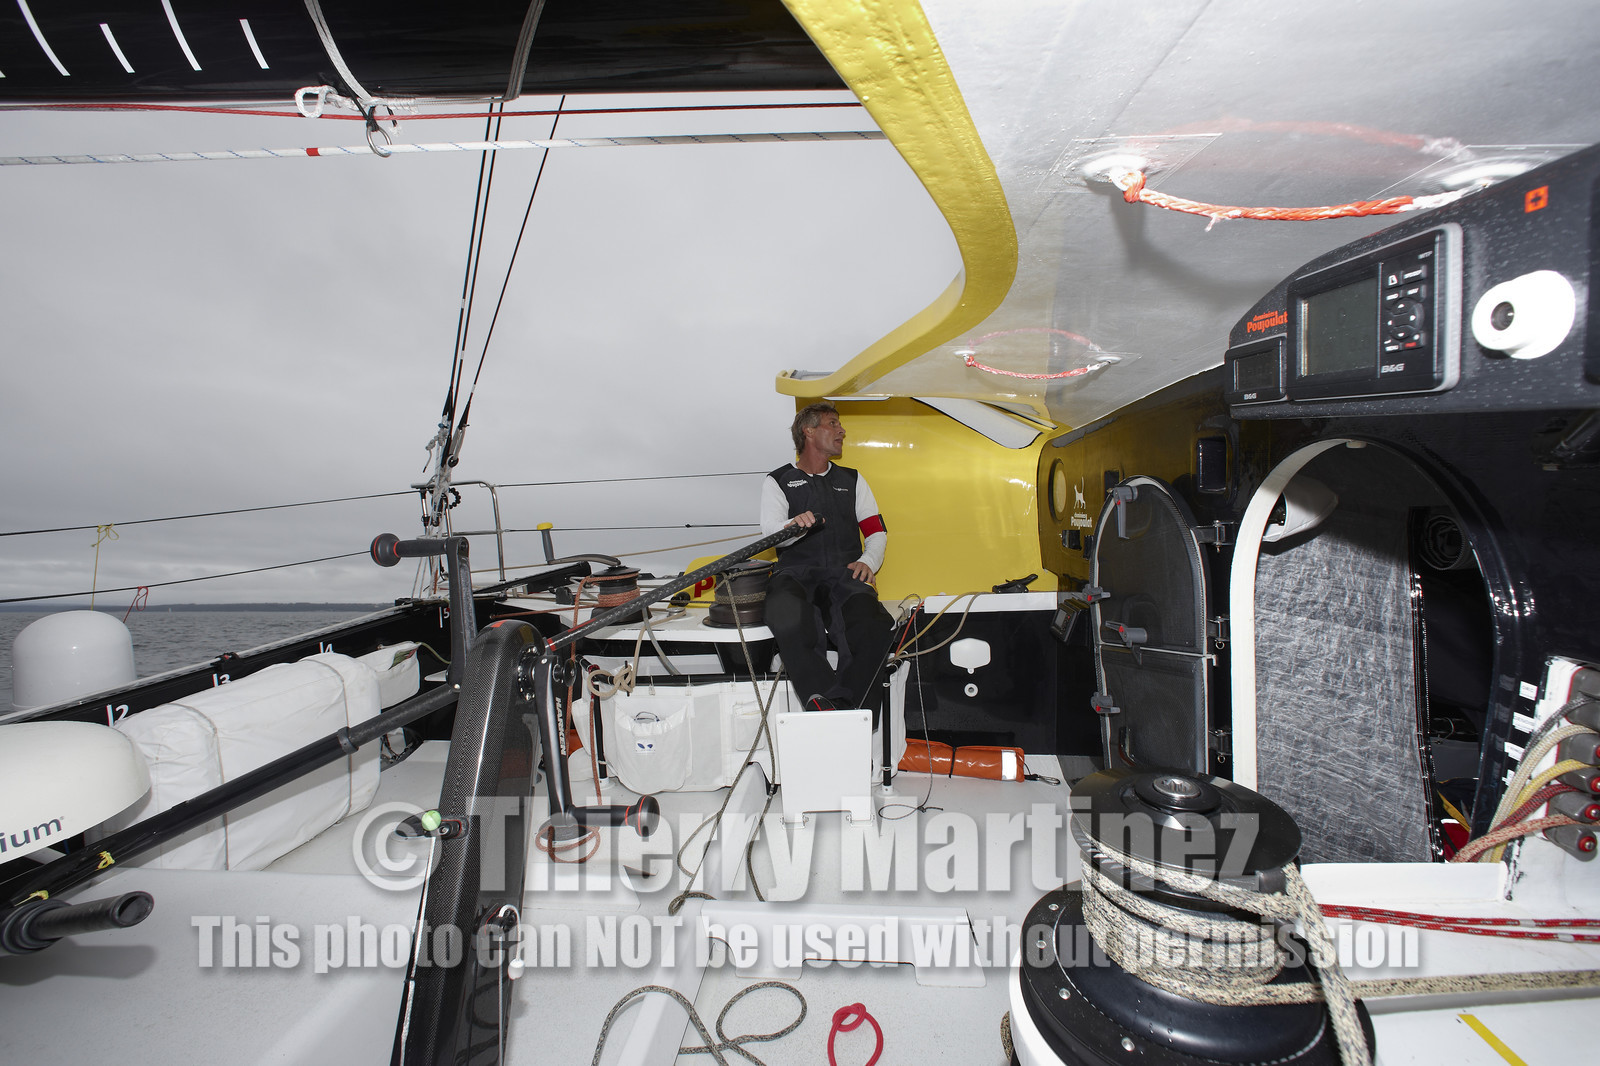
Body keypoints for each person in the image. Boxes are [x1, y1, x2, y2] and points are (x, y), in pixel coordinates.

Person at [760, 402, 895, 712]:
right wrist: (792, 526)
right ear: (808, 431)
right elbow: (770, 531)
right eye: (833, 424)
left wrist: (868, 562)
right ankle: (821, 699)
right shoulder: (777, 480)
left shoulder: (853, 480)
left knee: (874, 624)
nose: (841, 430)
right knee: (784, 611)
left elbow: (876, 532)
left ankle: (850, 706)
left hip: (844, 573)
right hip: (795, 573)